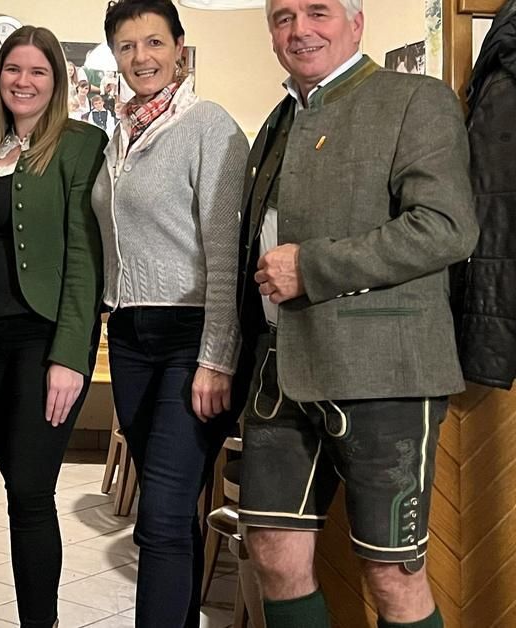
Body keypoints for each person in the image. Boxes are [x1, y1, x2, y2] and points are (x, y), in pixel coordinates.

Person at [237, 1, 478, 627]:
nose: (299, 29)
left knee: (394, 575)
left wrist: (311, 268)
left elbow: (447, 229)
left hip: (386, 375)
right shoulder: (278, 121)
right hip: (279, 376)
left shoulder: (415, 100)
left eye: (318, 11)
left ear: (356, 22)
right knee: (271, 551)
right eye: (283, 16)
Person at [91, 1, 248, 626]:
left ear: (180, 48)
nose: (141, 59)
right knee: (169, 515)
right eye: (127, 47)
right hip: (128, 335)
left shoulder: (209, 124)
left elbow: (226, 253)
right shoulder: (119, 133)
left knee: (158, 517)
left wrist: (216, 357)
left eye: (154, 43)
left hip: (190, 337)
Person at [0, 25, 106, 628]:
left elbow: (84, 258)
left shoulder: (80, 145)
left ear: (56, 81)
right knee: (17, 488)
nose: (24, 81)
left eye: (38, 71)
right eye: (13, 70)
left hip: (45, 342)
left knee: (34, 493)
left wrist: (72, 354)